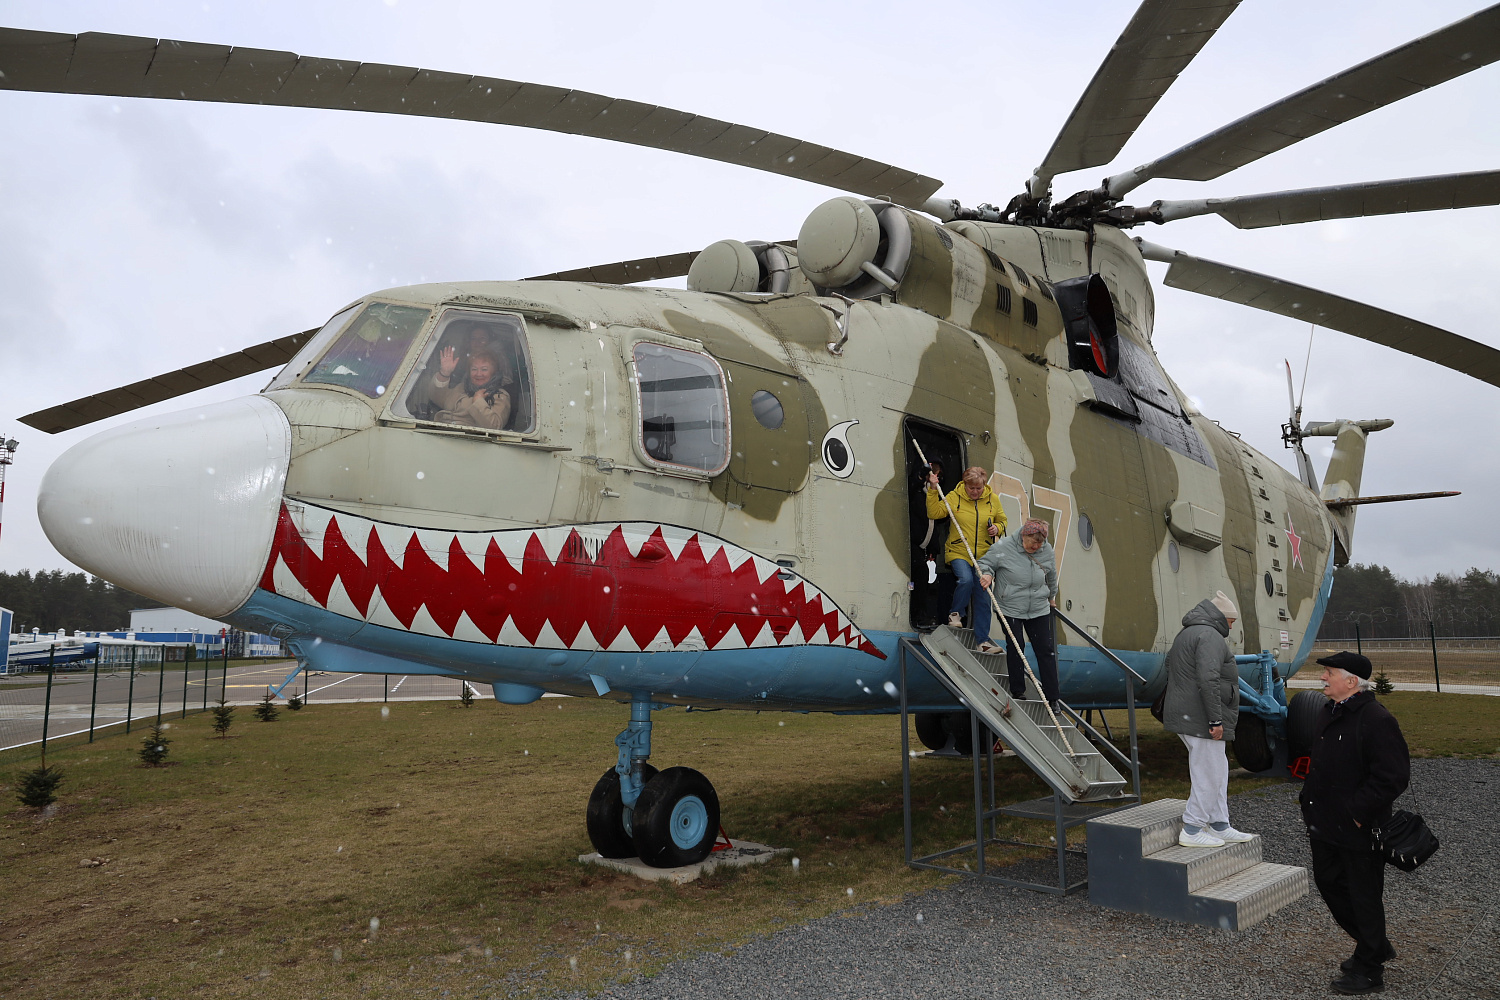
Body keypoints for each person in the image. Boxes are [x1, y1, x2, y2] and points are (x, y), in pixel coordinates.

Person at [1300, 650, 1409, 996]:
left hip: (1359, 829)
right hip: (1325, 824)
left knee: (1363, 896)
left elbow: (1392, 777)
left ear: (1351, 681)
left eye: (1329, 673)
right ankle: (1373, 945)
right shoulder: (1329, 712)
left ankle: (1369, 969)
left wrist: (1357, 813)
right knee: (1328, 883)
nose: (1323, 678)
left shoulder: (1376, 719)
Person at [1163, 590, 1255, 848]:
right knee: (1209, 773)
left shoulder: (1188, 632)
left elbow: (1170, 664)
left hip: (1188, 713)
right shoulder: (1210, 636)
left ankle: (1219, 823)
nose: (1232, 626)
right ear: (1221, 618)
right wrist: (1215, 720)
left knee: (1217, 768)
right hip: (1202, 717)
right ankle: (1192, 828)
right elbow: (1208, 678)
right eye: (1232, 621)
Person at [925, 466, 1006, 651]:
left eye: (979, 488)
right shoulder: (955, 497)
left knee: (984, 596)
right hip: (959, 551)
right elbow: (934, 513)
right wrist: (932, 490)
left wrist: (998, 528)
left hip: (984, 556)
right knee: (966, 580)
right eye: (972, 488)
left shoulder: (992, 500)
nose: (976, 492)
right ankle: (955, 614)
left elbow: (1002, 520)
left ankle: (983, 642)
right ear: (965, 485)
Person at [977, 518, 1059, 702]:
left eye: (1039, 545)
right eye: (1031, 545)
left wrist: (1052, 596)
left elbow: (1051, 575)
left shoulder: (1046, 550)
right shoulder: (1004, 547)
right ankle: (1018, 691)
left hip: (1038, 607)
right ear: (1024, 535)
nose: (1035, 548)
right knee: (1016, 646)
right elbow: (985, 563)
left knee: (1045, 650)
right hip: (1010, 606)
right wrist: (988, 574)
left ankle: (1053, 698)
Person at [428, 345, 512, 430]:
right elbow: (437, 398)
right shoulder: (461, 387)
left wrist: (478, 401)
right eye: (474, 369)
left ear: (493, 372)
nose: (478, 374)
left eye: (484, 369)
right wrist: (444, 373)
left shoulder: (500, 395)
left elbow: (495, 426)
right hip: (443, 431)